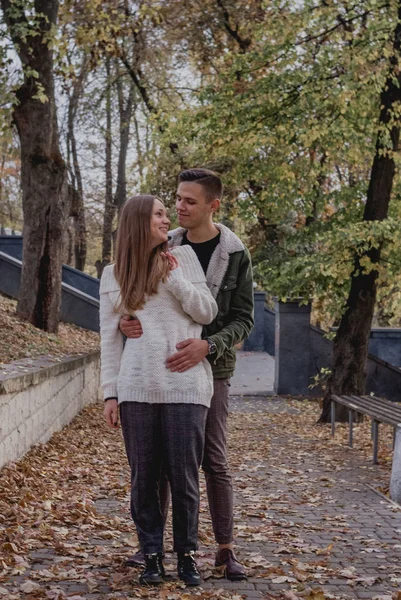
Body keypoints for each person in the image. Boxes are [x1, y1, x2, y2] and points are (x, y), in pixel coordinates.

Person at [120, 170, 254, 581]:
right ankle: (152, 549)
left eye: (190, 201)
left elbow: (243, 318)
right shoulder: (166, 243)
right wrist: (126, 322)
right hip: (166, 369)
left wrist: (208, 345)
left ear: (213, 205)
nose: (180, 207)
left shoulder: (234, 253)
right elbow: (136, 297)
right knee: (159, 462)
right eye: (177, 199)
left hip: (212, 368)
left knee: (212, 459)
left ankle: (225, 550)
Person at [100, 195, 218, 587]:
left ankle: (187, 557)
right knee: (143, 478)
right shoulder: (113, 274)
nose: (168, 218)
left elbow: (206, 312)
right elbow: (109, 340)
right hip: (137, 388)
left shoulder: (182, 259)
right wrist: (110, 393)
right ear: (138, 222)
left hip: (185, 387)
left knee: (184, 477)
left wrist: (175, 279)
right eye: (159, 214)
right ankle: (151, 555)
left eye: (168, 213)